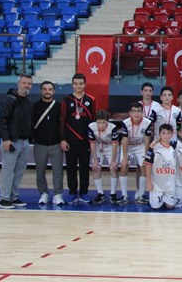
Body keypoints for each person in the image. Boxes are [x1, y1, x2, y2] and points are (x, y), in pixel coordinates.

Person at [0, 74, 33, 209]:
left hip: (24, 142)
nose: (26, 86)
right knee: (8, 170)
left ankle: (13, 196)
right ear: (18, 83)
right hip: (12, 141)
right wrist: (6, 139)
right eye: (24, 83)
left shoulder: (28, 100)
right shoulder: (10, 99)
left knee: (19, 171)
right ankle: (3, 198)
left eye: (29, 83)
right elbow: (2, 120)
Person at [60, 73, 96, 204]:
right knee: (71, 167)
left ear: (85, 84)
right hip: (70, 140)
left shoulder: (91, 99)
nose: (78, 86)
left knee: (85, 167)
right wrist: (62, 139)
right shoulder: (66, 100)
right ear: (72, 85)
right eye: (76, 84)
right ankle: (72, 192)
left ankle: (84, 192)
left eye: (81, 83)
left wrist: (92, 139)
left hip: (85, 140)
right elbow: (62, 120)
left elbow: (94, 121)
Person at [32, 80, 65, 207]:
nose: (47, 91)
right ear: (41, 91)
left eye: (50, 89)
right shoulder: (35, 106)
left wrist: (62, 139)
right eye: (45, 89)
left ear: (53, 91)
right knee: (40, 171)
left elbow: (63, 124)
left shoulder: (59, 106)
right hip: (40, 144)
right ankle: (43, 193)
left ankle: (57, 194)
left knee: (58, 171)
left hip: (56, 144)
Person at [120, 102, 152, 205]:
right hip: (128, 147)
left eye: (139, 111)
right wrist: (125, 158)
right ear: (130, 113)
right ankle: (124, 195)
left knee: (143, 167)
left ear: (142, 112)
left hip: (140, 146)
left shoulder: (147, 122)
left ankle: (141, 195)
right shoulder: (125, 123)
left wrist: (146, 157)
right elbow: (125, 141)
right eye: (134, 111)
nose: (136, 113)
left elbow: (147, 141)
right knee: (124, 167)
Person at [87, 110, 119, 205]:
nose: (101, 125)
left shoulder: (113, 128)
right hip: (97, 148)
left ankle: (113, 194)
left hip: (110, 147)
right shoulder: (91, 127)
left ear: (107, 121)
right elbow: (92, 144)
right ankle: (100, 193)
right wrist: (95, 160)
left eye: (104, 122)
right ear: (95, 121)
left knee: (113, 168)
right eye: (99, 122)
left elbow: (115, 145)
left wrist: (113, 161)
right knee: (96, 168)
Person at [144, 124, 177, 210]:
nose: (166, 135)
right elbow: (148, 165)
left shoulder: (174, 146)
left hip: (170, 184)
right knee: (156, 207)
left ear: (172, 134)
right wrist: (148, 182)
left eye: (168, 133)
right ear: (159, 134)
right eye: (163, 133)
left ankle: (165, 199)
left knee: (170, 207)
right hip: (157, 185)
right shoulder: (153, 148)